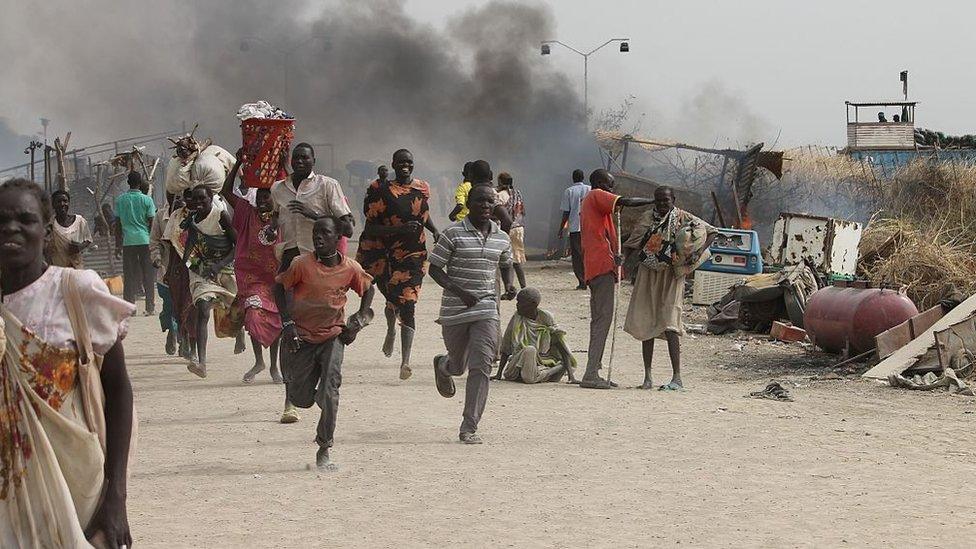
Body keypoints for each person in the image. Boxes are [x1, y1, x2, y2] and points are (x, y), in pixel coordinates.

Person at [0, 178, 135, 548]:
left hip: (78, 483)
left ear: (46, 231)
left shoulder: (76, 290)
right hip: (7, 490)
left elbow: (119, 390)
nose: (11, 227)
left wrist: (117, 497)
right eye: (1, 220)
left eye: (25, 219)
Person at [275, 216, 375, 470]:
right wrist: (287, 324)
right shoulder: (301, 264)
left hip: (333, 336)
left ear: (337, 238)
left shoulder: (350, 268)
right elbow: (279, 287)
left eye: (325, 233)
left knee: (331, 391)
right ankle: (316, 394)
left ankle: (324, 447)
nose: (319, 237)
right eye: (316, 233)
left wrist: (360, 319)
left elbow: (368, 287)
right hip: (302, 338)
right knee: (301, 398)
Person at [430, 183, 517, 444]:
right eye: (480, 201)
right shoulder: (452, 234)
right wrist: (459, 291)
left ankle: (469, 426)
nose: (485, 206)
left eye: (491, 202)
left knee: (482, 365)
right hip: (456, 311)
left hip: (486, 309)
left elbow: (506, 263)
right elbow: (434, 268)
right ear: (469, 202)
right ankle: (444, 365)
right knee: (459, 366)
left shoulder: (502, 237)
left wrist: (510, 284)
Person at [356, 148, 439, 380]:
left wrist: (434, 230)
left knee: (408, 302)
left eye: (409, 162)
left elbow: (423, 212)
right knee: (392, 297)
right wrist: (399, 229)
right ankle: (391, 328)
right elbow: (370, 227)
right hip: (382, 253)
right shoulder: (379, 189)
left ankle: (405, 361)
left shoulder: (423, 188)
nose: (405, 166)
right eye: (401, 162)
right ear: (393, 164)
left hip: (412, 254)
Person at [624, 186, 716, 390]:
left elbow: (711, 232)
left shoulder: (684, 217)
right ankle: (647, 377)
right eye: (659, 201)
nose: (662, 204)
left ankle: (677, 377)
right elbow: (634, 242)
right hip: (648, 272)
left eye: (666, 200)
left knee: (671, 322)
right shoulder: (648, 217)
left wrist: (697, 252)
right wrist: (623, 263)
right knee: (646, 320)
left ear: (673, 199)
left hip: (672, 275)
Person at [579, 169, 654, 389]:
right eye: (609, 186)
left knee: (600, 320)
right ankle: (591, 373)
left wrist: (617, 254)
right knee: (603, 320)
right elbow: (627, 201)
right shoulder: (596, 195)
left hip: (601, 264)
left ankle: (594, 369)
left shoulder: (597, 208)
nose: (612, 190)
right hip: (600, 266)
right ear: (600, 184)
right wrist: (652, 200)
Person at [220, 151, 283, 384]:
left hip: (276, 278)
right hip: (252, 278)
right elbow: (226, 192)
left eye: (269, 197)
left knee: (276, 321)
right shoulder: (248, 211)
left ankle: (274, 366)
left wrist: (282, 160)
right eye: (262, 197)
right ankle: (259, 361)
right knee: (254, 316)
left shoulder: (281, 215)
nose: (265, 200)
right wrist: (237, 163)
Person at [266, 143, 354, 272]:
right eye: (295, 158)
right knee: (280, 288)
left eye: (304, 157)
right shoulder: (277, 188)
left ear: (314, 161)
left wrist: (314, 215)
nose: (299, 161)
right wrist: (272, 229)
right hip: (289, 258)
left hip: (319, 258)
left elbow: (348, 229)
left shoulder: (328, 185)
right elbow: (275, 216)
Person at [181, 185, 240, 378]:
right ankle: (202, 363)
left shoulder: (220, 215)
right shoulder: (191, 222)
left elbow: (237, 245)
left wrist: (219, 265)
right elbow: (187, 253)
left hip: (226, 268)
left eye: (202, 199)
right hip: (203, 273)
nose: (198, 203)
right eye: (194, 200)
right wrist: (196, 267)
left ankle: (239, 334)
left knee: (240, 308)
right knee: (203, 309)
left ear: (211, 198)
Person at [493, 287, 578, 384]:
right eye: (517, 302)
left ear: (533, 304)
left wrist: (571, 377)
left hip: (540, 362)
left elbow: (561, 346)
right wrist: (499, 374)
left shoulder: (546, 318)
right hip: (517, 366)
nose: (517, 305)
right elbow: (506, 347)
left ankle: (537, 374)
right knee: (530, 350)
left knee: (559, 364)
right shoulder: (517, 318)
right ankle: (538, 376)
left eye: (520, 303)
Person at [115, 170, 157, 315]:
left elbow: (118, 224)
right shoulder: (147, 200)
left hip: (128, 242)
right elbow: (151, 222)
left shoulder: (120, 200)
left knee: (129, 275)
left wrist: (117, 245)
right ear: (140, 183)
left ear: (128, 182)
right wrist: (153, 242)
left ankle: (130, 308)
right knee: (148, 275)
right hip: (145, 240)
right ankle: (150, 307)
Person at [149, 197, 179, 355]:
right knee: (169, 305)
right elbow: (154, 240)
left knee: (185, 307)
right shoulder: (160, 216)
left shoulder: (194, 214)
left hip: (188, 270)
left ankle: (183, 337)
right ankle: (172, 331)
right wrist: (156, 258)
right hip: (165, 270)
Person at [557, 169, 590, 289]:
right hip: (589, 227)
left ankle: (582, 282)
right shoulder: (590, 189)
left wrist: (561, 228)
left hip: (576, 227)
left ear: (573, 178)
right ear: (583, 177)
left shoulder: (569, 191)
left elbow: (566, 212)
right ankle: (589, 279)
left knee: (577, 256)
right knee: (587, 254)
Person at [46, 189, 93, 269]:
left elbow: (88, 240)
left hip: (76, 266)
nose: (62, 204)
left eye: (65, 201)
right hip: (58, 269)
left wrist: (79, 247)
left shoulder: (79, 221)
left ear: (69, 203)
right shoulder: (50, 225)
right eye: (58, 201)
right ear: (53, 205)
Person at [496, 172, 527, 288]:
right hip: (519, 227)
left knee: (507, 259)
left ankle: (509, 287)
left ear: (500, 182)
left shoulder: (502, 195)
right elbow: (523, 210)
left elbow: (498, 212)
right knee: (517, 258)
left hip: (509, 228)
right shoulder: (517, 193)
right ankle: (523, 286)